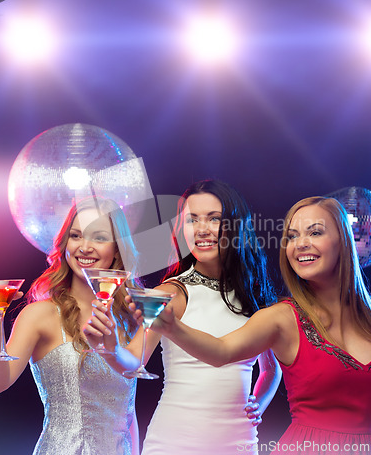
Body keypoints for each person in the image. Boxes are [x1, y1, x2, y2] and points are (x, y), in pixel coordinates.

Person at [149, 196, 371, 455]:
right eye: (292, 236)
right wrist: (172, 327)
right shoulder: (281, 318)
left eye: (315, 232)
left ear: (343, 240)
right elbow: (221, 351)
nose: (301, 244)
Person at [84, 179, 282, 455]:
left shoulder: (256, 297)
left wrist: (258, 404)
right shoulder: (172, 293)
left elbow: (271, 370)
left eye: (214, 219)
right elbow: (134, 360)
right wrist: (111, 348)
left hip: (241, 445)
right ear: (181, 230)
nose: (202, 229)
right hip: (175, 443)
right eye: (192, 220)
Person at [0, 197, 140, 455]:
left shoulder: (129, 319)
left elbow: (128, 414)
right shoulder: (39, 315)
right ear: (65, 244)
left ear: (117, 250)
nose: (85, 247)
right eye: (76, 236)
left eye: (98, 237)